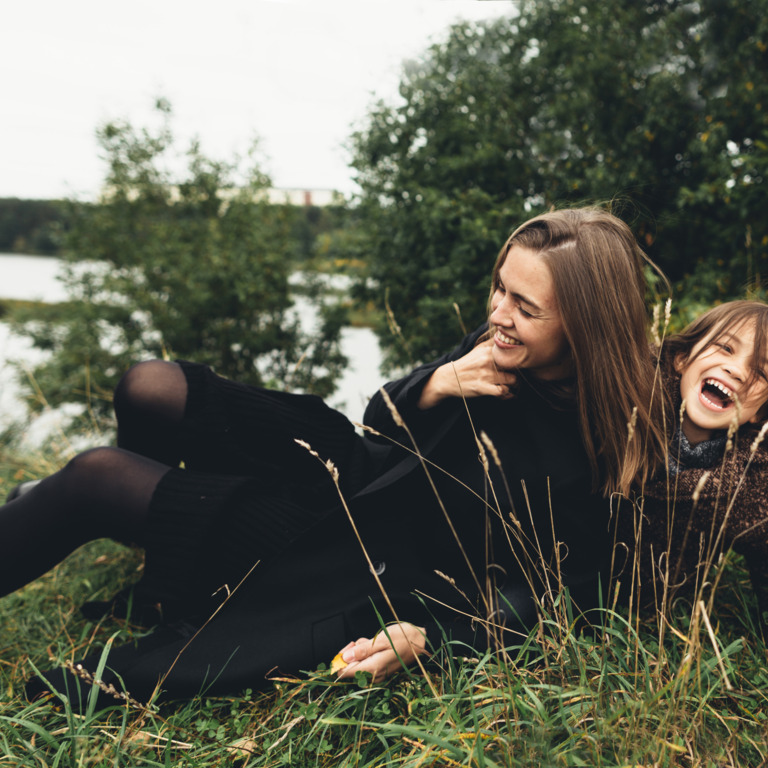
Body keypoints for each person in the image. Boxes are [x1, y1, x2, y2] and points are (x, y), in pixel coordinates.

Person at [2, 207, 668, 708]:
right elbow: (381, 419)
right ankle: (162, 564)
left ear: (584, 325)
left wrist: (430, 635)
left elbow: (569, 596)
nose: (498, 312)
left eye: (525, 306)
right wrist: (438, 383)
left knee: (95, 477)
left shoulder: (606, 449)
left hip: (341, 548)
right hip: (346, 467)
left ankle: (166, 554)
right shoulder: (500, 347)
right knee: (148, 388)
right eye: (499, 288)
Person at [616, 300, 768, 625]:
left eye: (762, 372)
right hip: (561, 583)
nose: (737, 370)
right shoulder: (625, 399)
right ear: (681, 358)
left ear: (759, 413)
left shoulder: (749, 483)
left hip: (650, 619)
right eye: (725, 347)